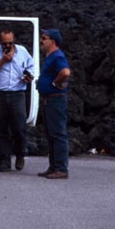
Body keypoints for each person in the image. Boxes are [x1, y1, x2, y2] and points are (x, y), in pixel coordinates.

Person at [0, 29, 35, 172]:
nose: (7, 46)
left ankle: (20, 154)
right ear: (0, 42)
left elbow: (32, 67)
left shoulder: (23, 51)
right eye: (4, 43)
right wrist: (3, 60)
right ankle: (4, 160)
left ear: (14, 41)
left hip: (17, 93)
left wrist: (29, 77)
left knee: (19, 127)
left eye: (10, 43)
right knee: (0, 128)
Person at [36, 29, 71, 179]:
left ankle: (61, 169)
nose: (41, 41)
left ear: (53, 41)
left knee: (58, 134)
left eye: (44, 38)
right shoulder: (50, 57)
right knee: (51, 135)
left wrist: (54, 83)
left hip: (55, 99)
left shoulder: (57, 56)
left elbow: (65, 72)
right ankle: (53, 166)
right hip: (49, 99)